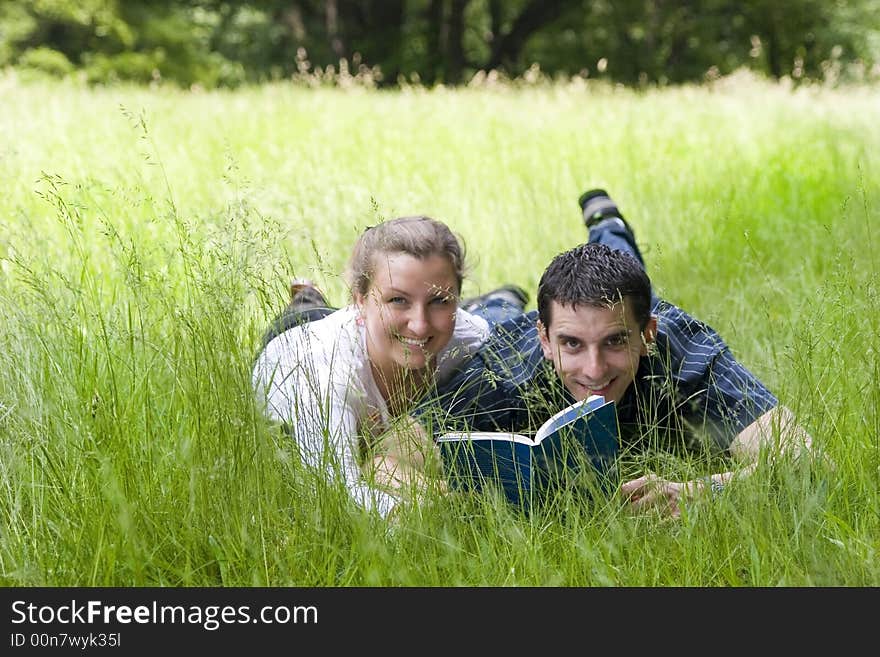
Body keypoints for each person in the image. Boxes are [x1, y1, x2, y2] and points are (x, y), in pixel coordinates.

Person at [413, 190, 814, 517]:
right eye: (571, 343)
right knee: (493, 317)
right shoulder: (505, 366)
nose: (594, 369)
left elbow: (807, 461)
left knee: (625, 268)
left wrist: (697, 491)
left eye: (616, 342)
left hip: (631, 310)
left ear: (646, 335)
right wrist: (468, 503)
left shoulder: (688, 353)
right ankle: (501, 299)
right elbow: (388, 460)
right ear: (545, 341)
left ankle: (607, 222)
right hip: (507, 327)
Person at [251, 215, 528, 518]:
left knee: (499, 316)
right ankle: (306, 294)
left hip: (368, 330)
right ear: (360, 300)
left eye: (440, 301)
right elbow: (337, 492)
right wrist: (443, 509)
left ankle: (494, 299)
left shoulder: (464, 335)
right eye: (398, 300)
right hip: (298, 333)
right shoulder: (323, 377)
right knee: (307, 310)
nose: (420, 326)